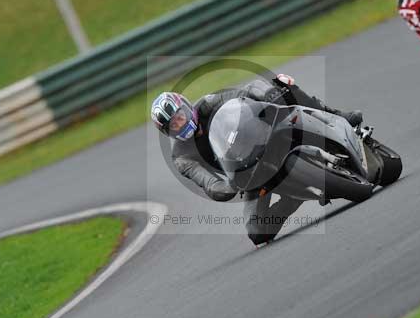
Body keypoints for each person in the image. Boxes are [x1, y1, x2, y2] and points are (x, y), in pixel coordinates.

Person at [151, 75, 363, 245]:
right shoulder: (181, 157)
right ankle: (293, 198)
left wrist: (268, 95)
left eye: (179, 116)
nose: (180, 124)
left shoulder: (209, 103)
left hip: (266, 134)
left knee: (281, 83)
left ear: (187, 107)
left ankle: (335, 115)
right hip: (248, 172)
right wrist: (224, 189)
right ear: (167, 132)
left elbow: (241, 96)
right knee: (257, 232)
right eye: (173, 126)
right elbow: (207, 181)